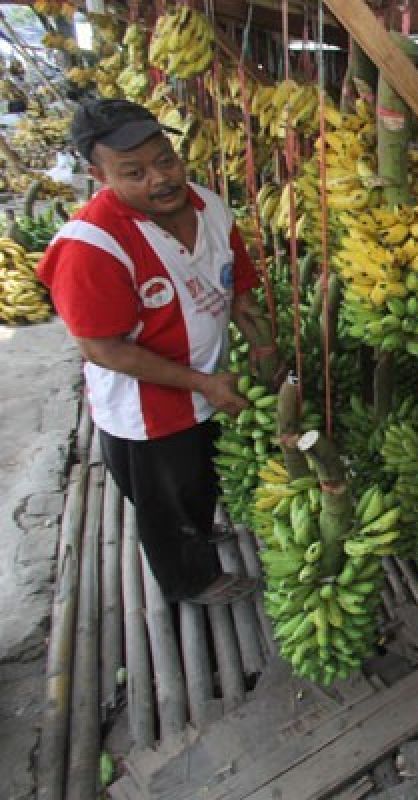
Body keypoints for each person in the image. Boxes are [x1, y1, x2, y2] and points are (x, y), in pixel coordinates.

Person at [38, 98, 273, 605]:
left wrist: (261, 346)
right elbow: (103, 349)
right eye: (134, 172)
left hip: (210, 383)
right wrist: (203, 384)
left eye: (165, 160)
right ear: (98, 174)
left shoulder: (209, 207)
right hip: (147, 412)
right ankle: (192, 581)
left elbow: (241, 289)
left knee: (197, 481)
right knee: (162, 503)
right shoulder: (90, 247)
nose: (160, 179)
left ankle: (200, 528)